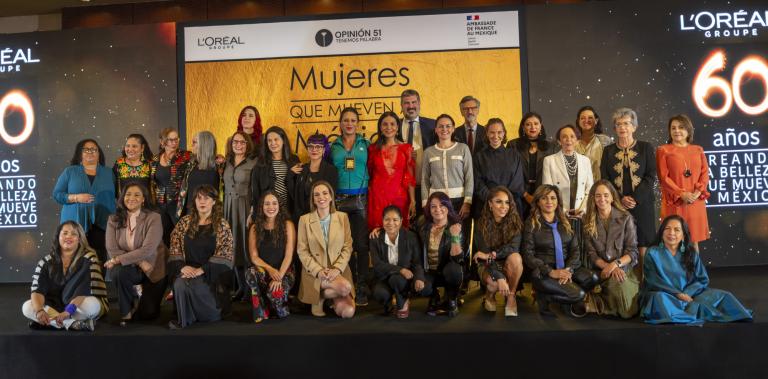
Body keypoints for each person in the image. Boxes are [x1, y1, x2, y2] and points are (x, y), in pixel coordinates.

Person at [640, 215, 752, 324]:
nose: (671, 233)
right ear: (661, 233)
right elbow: (653, 281)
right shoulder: (652, 252)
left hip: (691, 294)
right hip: (665, 294)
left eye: (677, 230)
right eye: (667, 229)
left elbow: (702, 279)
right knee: (659, 299)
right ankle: (684, 313)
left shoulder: (691, 253)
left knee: (724, 295)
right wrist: (678, 294)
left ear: (683, 235)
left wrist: (687, 293)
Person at [522, 185, 597, 317]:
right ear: (538, 201)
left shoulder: (565, 222)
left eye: (553, 198)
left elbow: (575, 251)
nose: (549, 202)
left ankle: (557, 298)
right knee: (579, 294)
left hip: (566, 269)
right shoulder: (531, 223)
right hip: (544, 272)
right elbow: (528, 255)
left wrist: (568, 270)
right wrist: (551, 272)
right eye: (544, 198)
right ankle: (547, 297)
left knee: (592, 278)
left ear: (558, 201)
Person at [167, 185, 234, 329]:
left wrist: (202, 270)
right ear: (195, 201)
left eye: (207, 198)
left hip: (209, 273)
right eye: (199, 198)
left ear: (214, 201)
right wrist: (183, 267)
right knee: (180, 283)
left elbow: (226, 253)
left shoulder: (222, 225)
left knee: (198, 291)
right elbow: (174, 246)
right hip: (186, 269)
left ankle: (203, 313)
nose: (202, 202)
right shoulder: (184, 222)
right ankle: (184, 321)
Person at [22, 221, 108, 331]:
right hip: (54, 306)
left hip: (77, 306)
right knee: (27, 306)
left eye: (74, 234)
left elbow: (82, 294)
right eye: (65, 233)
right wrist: (39, 311)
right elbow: (37, 291)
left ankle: (50, 323)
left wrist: (68, 312)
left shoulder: (88, 259)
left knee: (91, 305)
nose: (68, 237)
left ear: (79, 239)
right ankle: (73, 324)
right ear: (58, 237)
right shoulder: (46, 262)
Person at [105, 184, 168, 325]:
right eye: (128, 194)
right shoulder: (113, 219)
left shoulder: (154, 218)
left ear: (143, 199)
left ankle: (140, 294)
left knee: (148, 314)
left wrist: (118, 259)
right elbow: (112, 249)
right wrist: (139, 262)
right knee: (117, 272)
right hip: (137, 266)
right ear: (122, 197)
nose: (131, 198)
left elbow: (148, 249)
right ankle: (126, 312)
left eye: (137, 195)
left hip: (152, 267)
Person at [600, 108, 656, 262]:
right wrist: (620, 199)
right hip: (618, 206)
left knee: (643, 245)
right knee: (622, 244)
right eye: (618, 124)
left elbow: (651, 176)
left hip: (642, 204)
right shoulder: (607, 151)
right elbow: (605, 180)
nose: (622, 127)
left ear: (634, 127)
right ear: (614, 128)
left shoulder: (646, 148)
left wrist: (635, 198)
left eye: (626, 123)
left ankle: (645, 281)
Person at [329, 107, 371, 306]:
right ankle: (347, 285)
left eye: (353, 120)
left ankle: (362, 286)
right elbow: (323, 168)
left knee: (361, 245)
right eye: (345, 120)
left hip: (361, 199)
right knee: (342, 246)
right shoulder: (333, 146)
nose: (349, 123)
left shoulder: (367, 144)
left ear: (357, 123)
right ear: (340, 123)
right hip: (339, 200)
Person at [296, 181, 356, 318]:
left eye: (325, 193)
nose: (321, 197)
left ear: (331, 197)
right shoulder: (304, 220)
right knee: (344, 288)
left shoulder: (342, 217)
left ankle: (321, 296)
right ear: (313, 199)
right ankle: (321, 296)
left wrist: (338, 269)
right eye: (316, 195)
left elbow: (348, 246)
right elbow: (302, 251)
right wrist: (318, 271)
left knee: (348, 313)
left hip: (337, 271)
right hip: (315, 273)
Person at [582, 180, 640, 318]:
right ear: (593, 198)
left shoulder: (626, 218)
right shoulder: (587, 220)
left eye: (606, 195)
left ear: (613, 197)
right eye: (598, 196)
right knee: (620, 300)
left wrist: (615, 264)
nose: (602, 199)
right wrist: (607, 267)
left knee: (628, 311)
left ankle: (596, 303)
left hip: (623, 268)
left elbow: (632, 251)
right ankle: (600, 298)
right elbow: (592, 254)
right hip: (600, 270)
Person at [53, 139, 116, 264]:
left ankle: (98, 283)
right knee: (75, 262)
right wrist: (76, 197)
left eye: (94, 149)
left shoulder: (109, 173)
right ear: (80, 153)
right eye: (86, 149)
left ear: (99, 153)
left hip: (102, 224)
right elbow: (57, 195)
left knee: (99, 260)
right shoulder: (70, 172)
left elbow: (120, 195)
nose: (90, 152)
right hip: (75, 225)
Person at [421, 114, 473, 260]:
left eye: (448, 126)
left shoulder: (463, 149)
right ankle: (439, 271)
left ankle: (461, 272)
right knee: (439, 239)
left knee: (459, 237)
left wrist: (467, 202)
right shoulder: (428, 152)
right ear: (436, 130)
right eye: (441, 126)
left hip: (458, 202)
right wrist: (426, 204)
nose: (444, 129)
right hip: (436, 205)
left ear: (453, 128)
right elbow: (424, 180)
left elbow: (469, 177)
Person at [656, 114, 710, 250]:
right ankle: (675, 271)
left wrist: (697, 193)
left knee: (693, 241)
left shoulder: (698, 150)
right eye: (673, 128)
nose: (676, 131)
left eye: (680, 127)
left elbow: (704, 174)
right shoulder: (663, 150)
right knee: (674, 242)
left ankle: (694, 271)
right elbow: (663, 177)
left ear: (688, 130)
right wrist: (682, 194)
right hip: (675, 202)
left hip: (695, 201)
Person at [473, 187, 524, 317]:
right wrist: (500, 277)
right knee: (494, 283)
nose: (504, 206)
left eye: (507, 202)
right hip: (486, 265)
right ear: (490, 204)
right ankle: (489, 295)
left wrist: (493, 254)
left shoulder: (515, 222)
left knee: (516, 258)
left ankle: (511, 296)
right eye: (498, 201)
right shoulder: (480, 224)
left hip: (504, 261)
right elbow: (484, 257)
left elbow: (514, 248)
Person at [246, 191, 295, 322]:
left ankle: (276, 304)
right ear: (262, 207)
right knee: (250, 272)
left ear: (279, 206)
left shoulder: (287, 225)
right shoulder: (255, 227)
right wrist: (270, 269)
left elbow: (289, 255)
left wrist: (279, 276)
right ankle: (260, 312)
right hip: (264, 272)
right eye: (267, 204)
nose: (271, 207)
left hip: (284, 271)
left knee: (276, 299)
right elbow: (254, 257)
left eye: (274, 203)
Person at [370, 206, 425, 318]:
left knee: (397, 279)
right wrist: (400, 270)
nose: (391, 223)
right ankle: (389, 302)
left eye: (395, 220)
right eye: (387, 219)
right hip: (384, 276)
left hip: (403, 279)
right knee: (380, 293)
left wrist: (419, 277)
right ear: (382, 221)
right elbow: (377, 264)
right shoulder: (375, 237)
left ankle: (403, 300)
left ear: (401, 221)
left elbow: (417, 261)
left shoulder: (411, 237)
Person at [222, 131, 259, 302]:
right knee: (232, 247)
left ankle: (249, 289)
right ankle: (239, 287)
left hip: (244, 207)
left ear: (247, 144)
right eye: (235, 142)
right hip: (228, 208)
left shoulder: (254, 162)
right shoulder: (226, 162)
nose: (238, 145)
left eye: (242, 142)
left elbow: (256, 189)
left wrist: (252, 211)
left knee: (245, 247)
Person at [417, 192, 464, 317]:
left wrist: (454, 237)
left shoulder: (455, 225)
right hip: (429, 270)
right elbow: (408, 238)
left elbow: (458, 258)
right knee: (421, 288)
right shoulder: (422, 224)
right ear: (429, 208)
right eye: (433, 206)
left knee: (454, 271)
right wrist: (382, 230)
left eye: (442, 205)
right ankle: (434, 296)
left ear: (448, 206)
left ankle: (452, 298)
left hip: (447, 269)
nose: (438, 209)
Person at [367, 111, 416, 230]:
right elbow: (369, 174)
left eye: (392, 124)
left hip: (400, 198)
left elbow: (410, 177)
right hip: (377, 198)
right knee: (378, 232)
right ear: (380, 127)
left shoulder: (406, 149)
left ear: (398, 127)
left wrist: (413, 201)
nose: (389, 127)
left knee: (399, 233)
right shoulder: (373, 149)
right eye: (385, 124)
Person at [508, 112, 558, 219]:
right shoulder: (513, 145)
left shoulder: (551, 147)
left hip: (543, 195)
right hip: (519, 194)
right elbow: (510, 173)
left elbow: (554, 173)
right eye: (528, 124)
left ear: (541, 126)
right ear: (523, 127)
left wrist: (540, 195)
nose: (533, 127)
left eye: (536, 124)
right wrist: (525, 194)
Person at [473, 117, 525, 219]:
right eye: (492, 132)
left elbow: (517, 183)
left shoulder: (514, 155)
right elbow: (478, 183)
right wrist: (493, 202)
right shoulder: (479, 157)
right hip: (487, 206)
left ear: (504, 133)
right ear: (487, 134)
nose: (495, 136)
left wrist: (504, 203)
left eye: (499, 132)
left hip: (510, 206)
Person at [150, 128, 193, 246]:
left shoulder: (186, 156)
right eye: (171, 140)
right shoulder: (155, 159)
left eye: (176, 139)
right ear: (163, 142)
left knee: (181, 236)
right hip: (160, 205)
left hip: (178, 204)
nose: (174, 142)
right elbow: (152, 182)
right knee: (165, 237)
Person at [541, 124, 593, 217]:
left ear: (577, 140)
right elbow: (547, 191)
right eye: (564, 137)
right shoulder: (549, 160)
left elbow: (590, 189)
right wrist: (564, 211)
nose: (568, 139)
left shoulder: (585, 160)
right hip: (558, 211)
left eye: (572, 136)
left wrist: (582, 209)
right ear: (559, 141)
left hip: (581, 212)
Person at [398, 89, 436, 217]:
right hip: (402, 189)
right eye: (406, 103)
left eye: (414, 102)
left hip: (427, 187)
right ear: (401, 105)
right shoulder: (393, 126)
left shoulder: (433, 125)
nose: (410, 106)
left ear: (419, 103)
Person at [251, 126, 301, 218]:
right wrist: (254, 214)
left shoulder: (293, 160)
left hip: (289, 211)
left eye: (276, 139)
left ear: (283, 141)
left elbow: (298, 190)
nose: (272, 143)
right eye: (269, 140)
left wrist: (289, 174)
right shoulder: (260, 163)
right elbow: (256, 194)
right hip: (268, 213)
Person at [289, 132, 338, 225]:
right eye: (311, 146)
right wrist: (290, 174)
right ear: (307, 149)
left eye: (318, 146)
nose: (314, 149)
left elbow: (332, 196)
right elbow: (294, 195)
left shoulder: (331, 170)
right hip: (302, 219)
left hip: (323, 218)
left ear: (324, 150)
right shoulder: (301, 169)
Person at [177, 131, 221, 218]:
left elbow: (213, 198)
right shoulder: (192, 164)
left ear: (204, 145)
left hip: (205, 216)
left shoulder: (215, 169)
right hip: (189, 212)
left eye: (194, 142)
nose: (191, 145)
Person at [575, 106, 612, 182]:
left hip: (600, 188)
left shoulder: (605, 141)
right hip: (578, 189)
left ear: (596, 121)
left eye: (590, 118)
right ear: (578, 121)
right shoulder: (573, 144)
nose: (586, 120)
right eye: (582, 118)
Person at [113, 133, 153, 198]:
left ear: (142, 148)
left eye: (134, 146)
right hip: (124, 206)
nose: (130, 149)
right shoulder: (119, 163)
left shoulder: (149, 164)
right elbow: (112, 186)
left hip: (145, 206)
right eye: (127, 146)